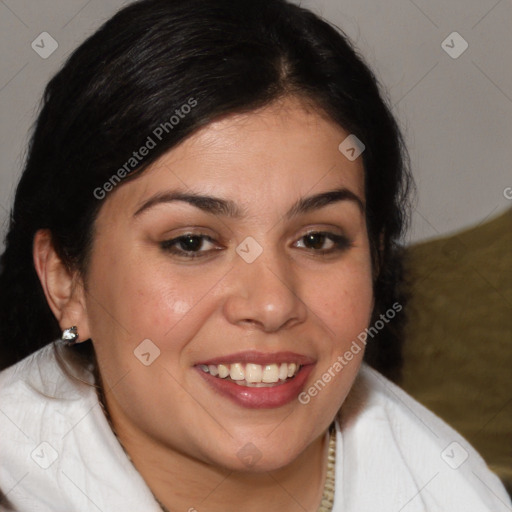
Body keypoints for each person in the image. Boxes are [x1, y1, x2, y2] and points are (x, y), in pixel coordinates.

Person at [0, 0, 509, 510]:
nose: (272, 304)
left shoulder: (454, 493)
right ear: (66, 280)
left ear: (375, 260)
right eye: (192, 242)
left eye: (317, 240)